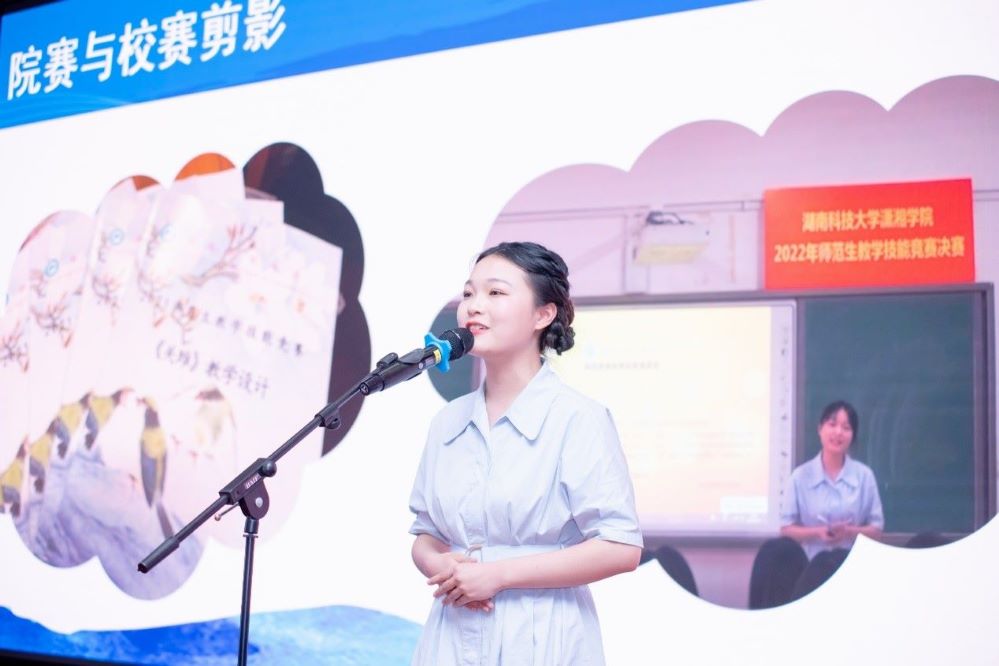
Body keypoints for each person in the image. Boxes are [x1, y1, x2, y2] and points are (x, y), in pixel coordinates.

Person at [408, 241, 643, 665]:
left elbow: (619, 546)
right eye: (468, 293)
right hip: (452, 631)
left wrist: (498, 575)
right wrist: (439, 566)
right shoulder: (447, 422)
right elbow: (426, 534)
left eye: (495, 292)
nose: (474, 306)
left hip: (541, 634)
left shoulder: (578, 418)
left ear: (543, 314)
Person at [780, 400, 884, 560]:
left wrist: (849, 532)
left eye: (846, 428)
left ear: (852, 435)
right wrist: (817, 533)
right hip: (811, 565)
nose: (838, 432)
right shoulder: (800, 476)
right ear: (820, 429)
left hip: (853, 564)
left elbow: (876, 531)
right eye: (832, 424)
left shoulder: (865, 476)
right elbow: (786, 530)